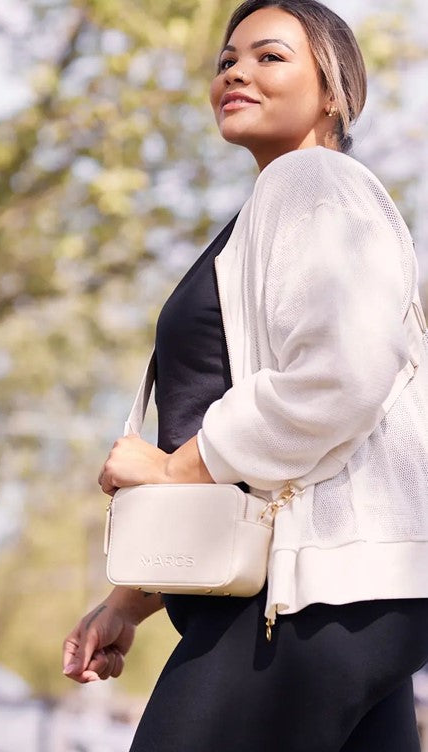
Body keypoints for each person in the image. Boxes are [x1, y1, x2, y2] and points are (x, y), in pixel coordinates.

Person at [62, 1, 428, 749]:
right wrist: (130, 601)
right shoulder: (276, 205)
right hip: (333, 591)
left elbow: (339, 378)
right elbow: (254, 472)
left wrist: (171, 469)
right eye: (227, 59)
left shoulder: (313, 182)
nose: (236, 72)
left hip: (319, 596)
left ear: (333, 91)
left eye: (269, 57)